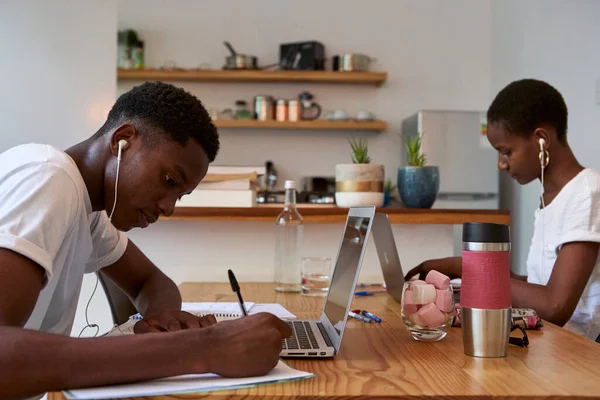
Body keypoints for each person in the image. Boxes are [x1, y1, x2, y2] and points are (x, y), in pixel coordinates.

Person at [0, 82, 292, 400]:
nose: (168, 207)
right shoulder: (49, 180)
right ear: (123, 140)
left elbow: (151, 281)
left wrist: (160, 319)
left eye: (180, 196)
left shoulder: (89, 210)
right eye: (169, 180)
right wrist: (205, 348)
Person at [406, 79, 600, 342]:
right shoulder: (551, 199)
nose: (500, 164)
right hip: (550, 347)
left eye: (506, 152)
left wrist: (474, 276)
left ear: (541, 139)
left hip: (580, 357)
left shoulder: (587, 192)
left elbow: (554, 305)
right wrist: (464, 268)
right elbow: (537, 286)